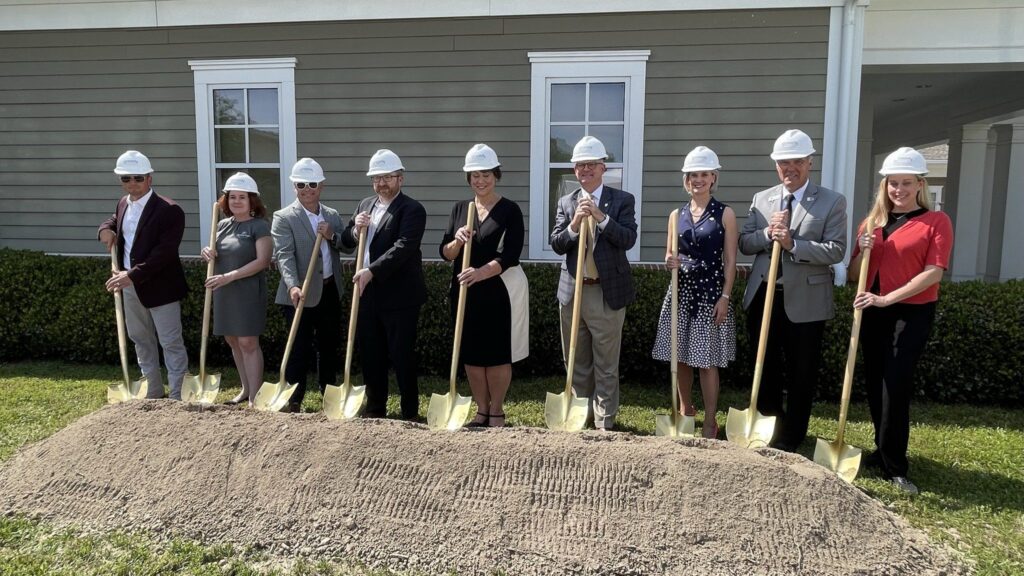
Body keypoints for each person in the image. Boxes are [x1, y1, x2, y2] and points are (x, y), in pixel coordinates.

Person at [848, 147, 953, 495]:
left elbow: (933, 273)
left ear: (920, 184)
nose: (899, 190)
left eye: (907, 183)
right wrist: (862, 251)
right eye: (893, 183)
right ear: (885, 186)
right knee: (875, 381)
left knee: (895, 384)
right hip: (873, 309)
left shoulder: (936, 221)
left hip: (910, 313)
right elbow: (852, 276)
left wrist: (886, 299)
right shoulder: (871, 224)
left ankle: (896, 464)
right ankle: (882, 449)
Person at [738, 129, 847, 451]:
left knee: (802, 372)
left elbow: (836, 250)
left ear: (809, 163)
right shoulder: (762, 199)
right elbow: (745, 242)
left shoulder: (831, 201)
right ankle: (770, 426)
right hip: (763, 297)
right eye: (784, 163)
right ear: (776, 166)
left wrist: (793, 244)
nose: (790, 168)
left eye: (797, 162)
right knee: (765, 365)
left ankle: (793, 435)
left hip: (806, 301)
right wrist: (767, 234)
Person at [549, 136, 638, 432]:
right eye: (580, 165)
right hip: (573, 292)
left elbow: (627, 239)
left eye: (591, 164)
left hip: (605, 292)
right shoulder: (566, 202)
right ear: (575, 170)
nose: (585, 170)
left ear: (603, 167)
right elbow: (558, 244)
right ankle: (579, 416)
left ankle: (604, 421)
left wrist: (600, 217)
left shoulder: (622, 201)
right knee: (576, 361)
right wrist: (574, 224)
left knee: (606, 364)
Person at [651, 146, 737, 439]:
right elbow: (668, 254)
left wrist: (725, 297)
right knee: (681, 357)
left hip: (710, 295)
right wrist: (668, 261)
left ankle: (711, 420)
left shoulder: (725, 214)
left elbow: (731, 263)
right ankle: (687, 410)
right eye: (692, 175)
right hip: (681, 293)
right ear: (686, 180)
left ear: (713, 177)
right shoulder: (676, 215)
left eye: (704, 174)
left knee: (706, 361)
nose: (698, 180)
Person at [440, 144, 529, 428]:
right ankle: (481, 410)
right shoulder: (459, 210)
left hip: (498, 291)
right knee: (472, 353)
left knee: (497, 353)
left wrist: (480, 273)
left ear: (496, 175)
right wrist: (458, 240)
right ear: (468, 178)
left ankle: (497, 411)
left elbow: (511, 255)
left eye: (486, 175)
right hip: (465, 292)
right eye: (475, 176)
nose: (480, 181)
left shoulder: (510, 211)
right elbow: (445, 253)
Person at [341, 149, 427, 421]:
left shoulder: (412, 209)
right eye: (377, 178)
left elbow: (404, 247)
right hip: (367, 293)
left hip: (400, 295)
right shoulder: (365, 205)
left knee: (401, 355)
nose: (381, 183)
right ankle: (376, 408)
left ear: (400, 179)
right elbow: (345, 240)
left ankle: (409, 412)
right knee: (371, 352)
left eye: (387, 177)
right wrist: (355, 229)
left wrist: (372, 271)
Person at [98, 150, 189, 400]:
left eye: (137, 178)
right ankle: (153, 391)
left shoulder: (170, 210)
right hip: (130, 287)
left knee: (170, 342)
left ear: (149, 178)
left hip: (161, 287)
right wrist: (105, 229)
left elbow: (165, 253)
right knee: (140, 339)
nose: (132, 184)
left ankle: (178, 396)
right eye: (126, 179)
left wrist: (132, 275)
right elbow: (115, 219)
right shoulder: (123, 203)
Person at [271, 158, 349, 412]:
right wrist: (293, 285)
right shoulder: (283, 217)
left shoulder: (332, 216)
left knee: (329, 346)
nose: (307, 189)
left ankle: (329, 397)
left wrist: (332, 236)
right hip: (299, 294)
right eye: (301, 184)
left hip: (328, 290)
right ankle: (294, 399)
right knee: (298, 348)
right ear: (294, 186)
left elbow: (348, 246)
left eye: (312, 183)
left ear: (321, 186)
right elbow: (284, 255)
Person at [200, 173, 272, 407]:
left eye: (242, 197)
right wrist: (208, 253)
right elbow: (220, 254)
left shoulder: (259, 226)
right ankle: (245, 389)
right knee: (233, 341)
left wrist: (230, 276)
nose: (237, 201)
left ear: (252, 200)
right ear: (226, 200)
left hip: (247, 291)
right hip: (224, 291)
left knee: (248, 342)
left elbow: (262, 261)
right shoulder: (221, 225)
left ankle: (256, 395)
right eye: (232, 197)